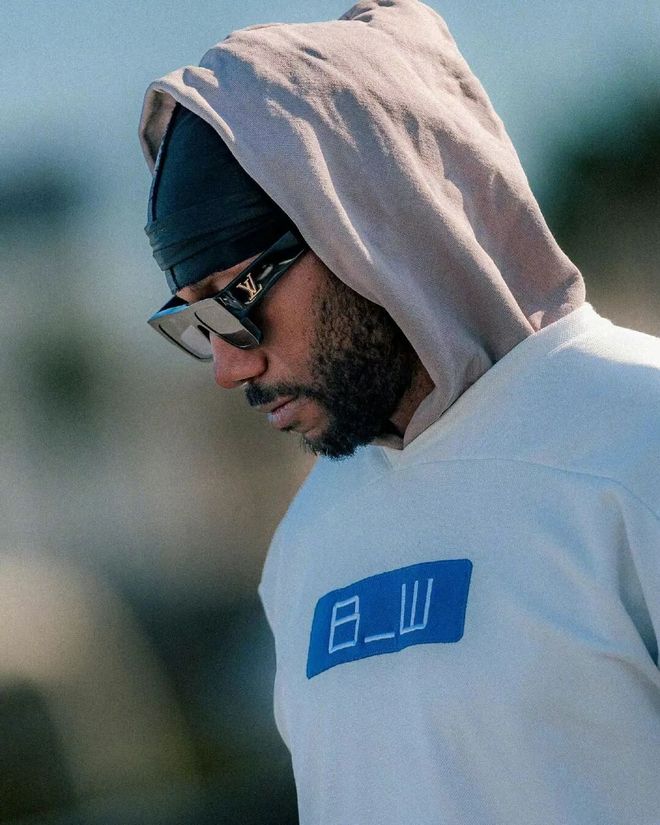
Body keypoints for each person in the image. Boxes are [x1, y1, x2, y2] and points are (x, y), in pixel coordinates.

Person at [139, 1, 660, 822]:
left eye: (235, 302)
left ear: (364, 222)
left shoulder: (638, 438)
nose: (230, 364)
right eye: (195, 321)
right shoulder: (309, 542)